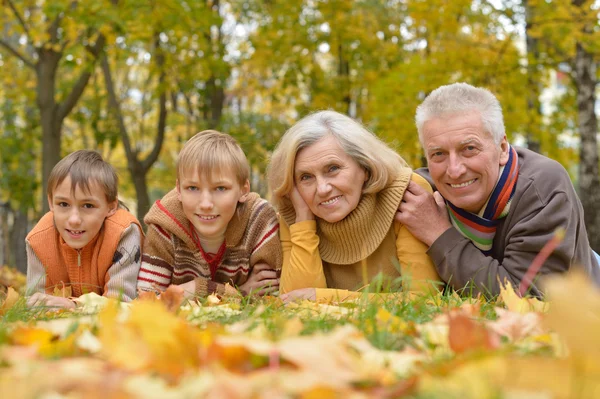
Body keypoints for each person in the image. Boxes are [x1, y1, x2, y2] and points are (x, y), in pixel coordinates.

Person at [396, 82, 600, 297]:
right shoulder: (424, 190)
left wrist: (438, 234)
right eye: (438, 154)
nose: (454, 170)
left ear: (502, 148)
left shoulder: (544, 188)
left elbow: (525, 296)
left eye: (469, 149)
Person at [268, 110, 442, 303]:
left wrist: (324, 298)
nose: (322, 189)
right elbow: (293, 302)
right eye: (306, 177)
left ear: (365, 167)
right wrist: (303, 221)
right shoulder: (297, 210)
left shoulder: (406, 192)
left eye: (333, 169)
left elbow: (425, 298)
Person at [138, 130, 282, 298]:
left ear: (243, 190)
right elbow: (147, 301)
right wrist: (207, 288)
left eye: (220, 188)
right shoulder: (165, 226)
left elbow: (270, 294)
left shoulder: (259, 220)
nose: (206, 204)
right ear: (179, 190)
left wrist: (181, 294)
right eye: (192, 188)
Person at [26, 150, 143, 309]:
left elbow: (121, 304)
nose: (74, 220)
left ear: (111, 206)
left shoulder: (123, 233)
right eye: (63, 204)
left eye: (88, 206)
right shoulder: (38, 240)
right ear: (51, 202)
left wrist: (74, 305)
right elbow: (36, 304)